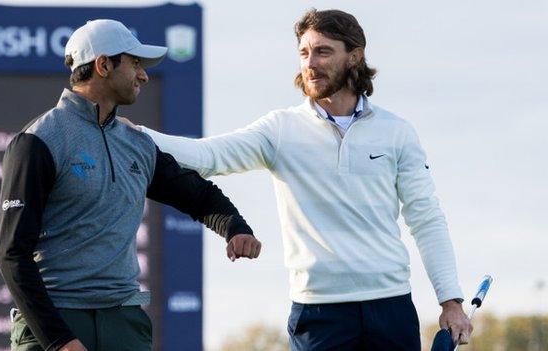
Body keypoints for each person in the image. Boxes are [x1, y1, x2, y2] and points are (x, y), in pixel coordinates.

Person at [133, 9, 472, 351]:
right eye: (304, 53)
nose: (310, 63)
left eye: (323, 51)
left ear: (354, 56)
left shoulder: (397, 132)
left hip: (391, 307)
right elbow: (209, 156)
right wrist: (135, 134)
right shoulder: (281, 129)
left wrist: (451, 300)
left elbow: (426, 218)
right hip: (318, 313)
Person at [0, 19, 261, 351]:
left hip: (124, 322)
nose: (144, 75)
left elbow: (199, 195)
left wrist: (235, 227)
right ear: (103, 65)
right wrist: (60, 340)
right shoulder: (38, 141)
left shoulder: (137, 144)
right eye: (135, 63)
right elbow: (12, 254)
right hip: (56, 322)